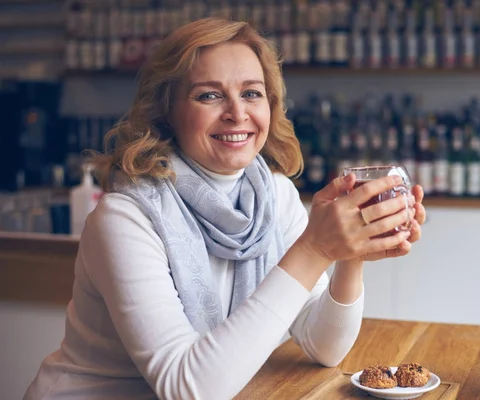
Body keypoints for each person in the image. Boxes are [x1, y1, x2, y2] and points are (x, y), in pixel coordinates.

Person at [24, 18, 426, 400]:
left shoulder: (275, 196)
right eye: (209, 95)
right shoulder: (126, 217)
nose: (237, 112)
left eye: (251, 92)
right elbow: (188, 388)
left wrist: (346, 257)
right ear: (166, 111)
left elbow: (324, 346)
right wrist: (315, 250)